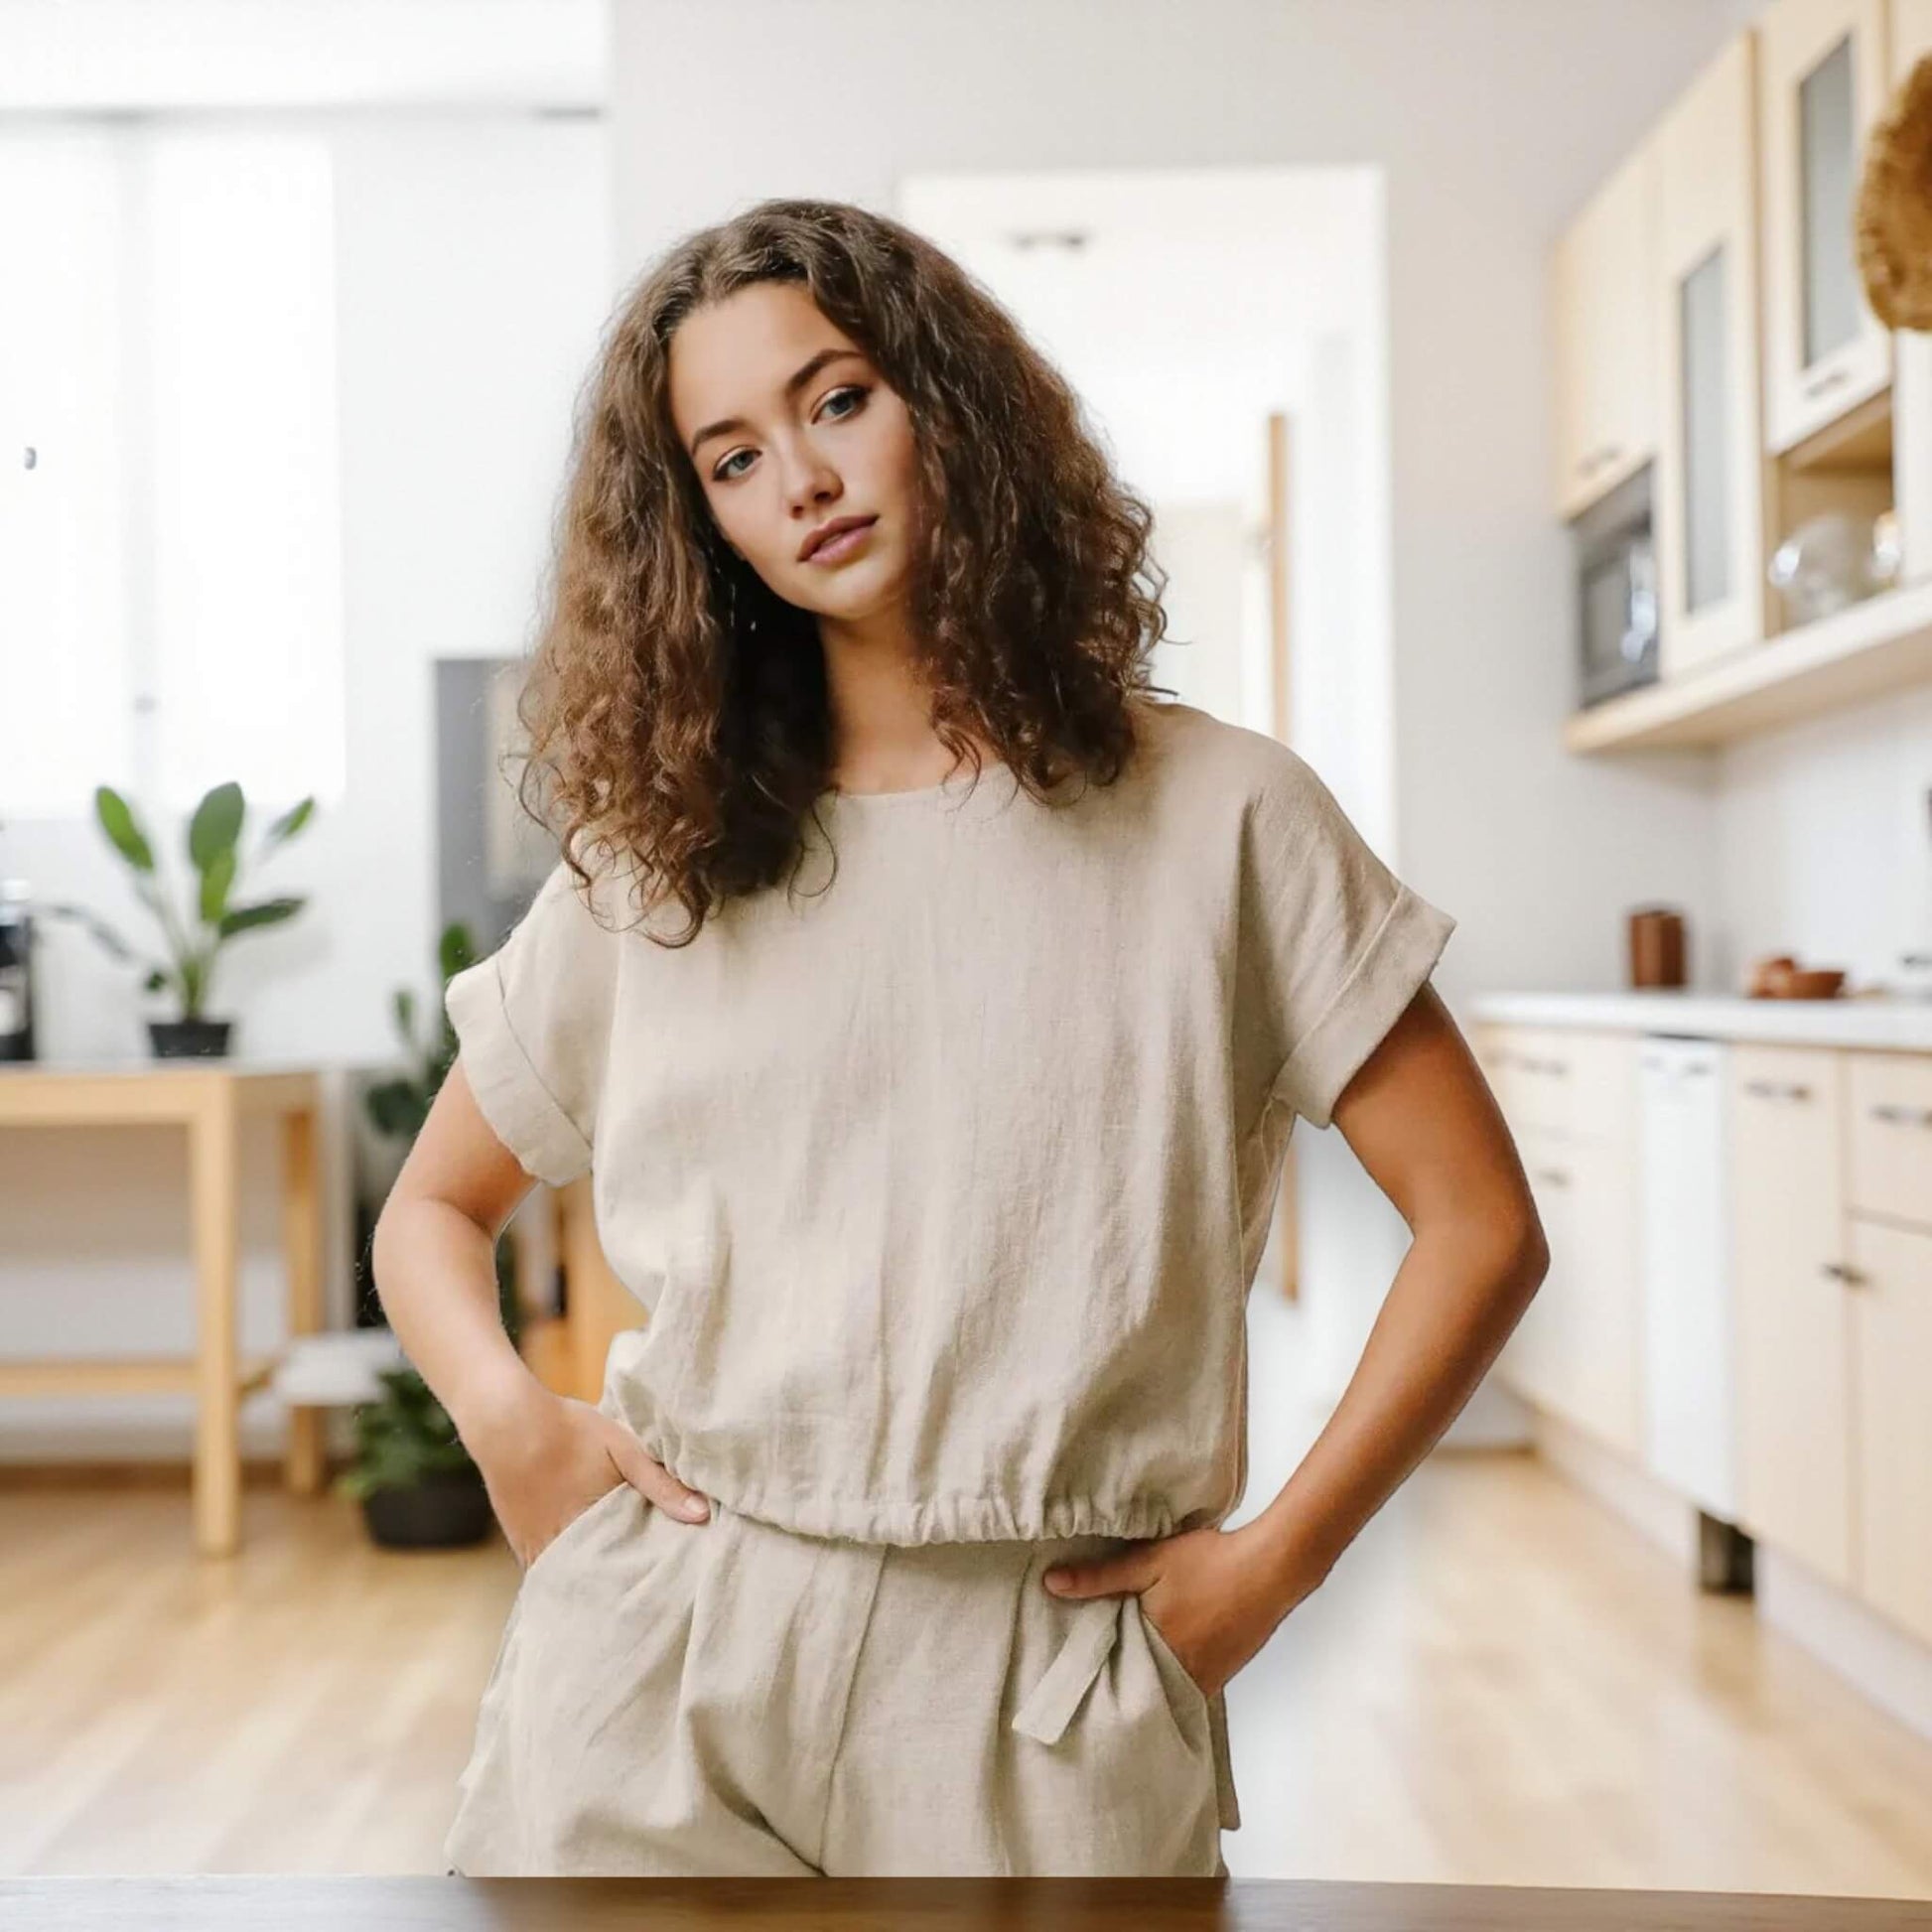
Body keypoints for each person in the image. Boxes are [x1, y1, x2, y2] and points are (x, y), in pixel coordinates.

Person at [371, 197, 1548, 1880]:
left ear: (947, 404)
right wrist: (508, 1417)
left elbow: (1482, 1223)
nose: (802, 477)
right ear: (700, 523)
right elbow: (428, 1210)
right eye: (729, 456)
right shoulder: (661, 861)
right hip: (665, 1651)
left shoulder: (1224, 818)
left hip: (1046, 1676)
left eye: (837, 398)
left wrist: (1279, 1558)